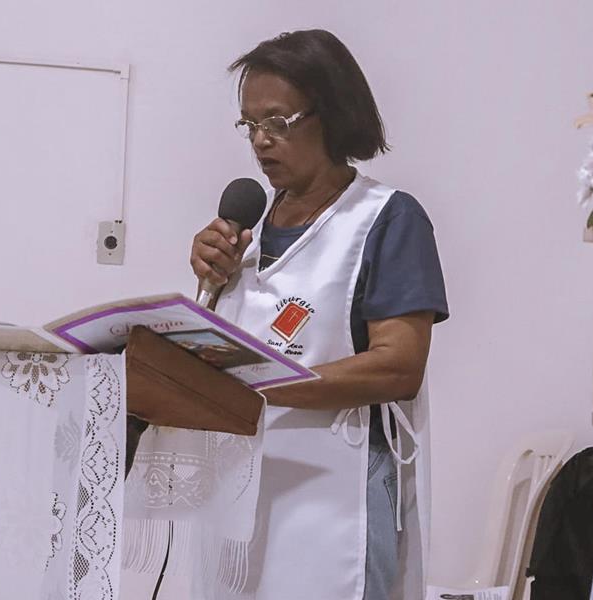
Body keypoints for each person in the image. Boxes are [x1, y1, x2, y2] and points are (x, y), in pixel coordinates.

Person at [189, 29, 449, 600]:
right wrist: (207, 287)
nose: (260, 141)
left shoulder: (387, 219)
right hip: (241, 491)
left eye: (277, 122)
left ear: (331, 114)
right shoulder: (248, 230)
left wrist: (255, 381)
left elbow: (398, 368)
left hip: (336, 497)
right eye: (249, 125)